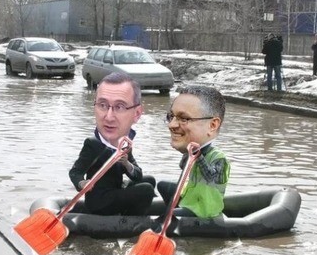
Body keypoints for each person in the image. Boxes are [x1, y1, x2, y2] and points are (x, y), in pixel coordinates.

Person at [69, 72, 156, 216]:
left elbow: (138, 175)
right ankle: (130, 221)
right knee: (146, 190)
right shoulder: (93, 144)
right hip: (99, 200)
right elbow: (75, 172)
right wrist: (82, 183)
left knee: (149, 180)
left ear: (136, 114)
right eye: (103, 105)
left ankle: (130, 216)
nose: (109, 117)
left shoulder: (124, 144)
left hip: (115, 191)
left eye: (119, 107)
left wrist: (127, 164)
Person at [157, 86, 230, 219]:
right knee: (163, 186)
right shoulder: (192, 151)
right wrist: (186, 153)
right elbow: (182, 166)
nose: (171, 125)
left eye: (184, 118)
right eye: (171, 116)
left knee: (168, 217)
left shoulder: (219, 158)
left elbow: (210, 177)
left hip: (204, 210)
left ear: (212, 125)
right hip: (191, 200)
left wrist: (198, 156)